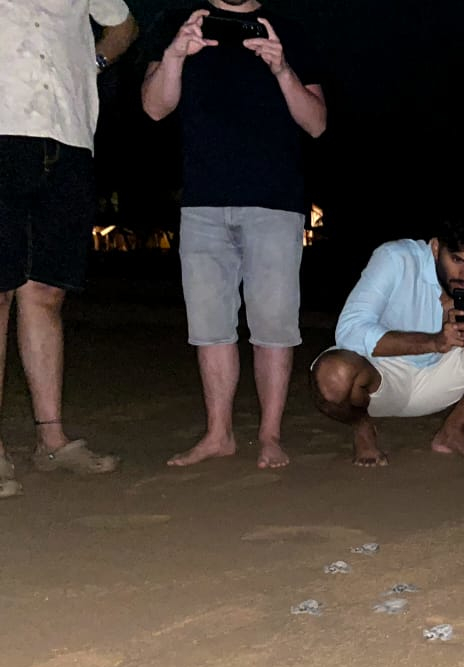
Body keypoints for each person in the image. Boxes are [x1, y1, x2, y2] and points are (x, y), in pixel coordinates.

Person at [140, 0, 326, 469]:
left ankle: (269, 436)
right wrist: (177, 55)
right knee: (209, 327)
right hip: (202, 201)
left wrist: (282, 69)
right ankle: (218, 434)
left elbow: (317, 123)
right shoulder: (177, 21)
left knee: (274, 327)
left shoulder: (289, 28)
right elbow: (154, 108)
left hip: (276, 201)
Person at [0, 0, 138, 500]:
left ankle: (51, 439)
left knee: (47, 292)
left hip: (68, 137)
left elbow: (122, 26)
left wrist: (93, 63)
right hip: (2, 129)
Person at [310, 216, 464, 465]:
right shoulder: (396, 259)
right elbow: (349, 331)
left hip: (440, 379)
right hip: (380, 377)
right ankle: (362, 426)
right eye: (458, 260)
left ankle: (454, 429)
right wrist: (434, 341)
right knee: (332, 376)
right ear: (436, 248)